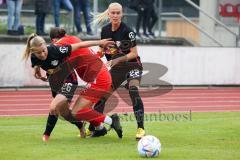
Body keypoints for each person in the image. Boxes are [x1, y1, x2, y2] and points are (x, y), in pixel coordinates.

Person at [23, 33, 123, 139]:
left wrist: (100, 42)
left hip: (99, 79)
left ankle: (112, 121)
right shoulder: (62, 44)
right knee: (80, 110)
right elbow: (83, 52)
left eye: (56, 41)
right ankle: (99, 129)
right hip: (97, 77)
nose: (56, 44)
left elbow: (81, 45)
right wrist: (37, 69)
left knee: (76, 112)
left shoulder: (59, 48)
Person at [90, 2, 145, 139]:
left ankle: (140, 128)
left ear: (122, 14)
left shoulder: (128, 31)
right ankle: (95, 128)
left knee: (133, 90)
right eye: (112, 13)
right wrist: (98, 54)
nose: (115, 15)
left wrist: (116, 60)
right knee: (102, 97)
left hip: (132, 65)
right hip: (116, 69)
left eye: (118, 13)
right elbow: (103, 49)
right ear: (108, 14)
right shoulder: (105, 30)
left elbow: (133, 54)